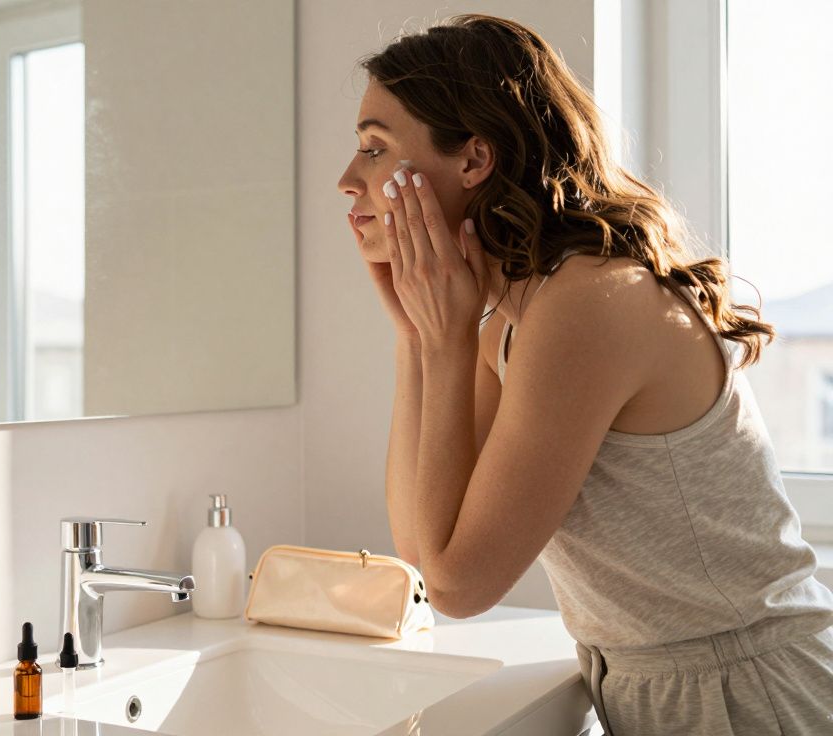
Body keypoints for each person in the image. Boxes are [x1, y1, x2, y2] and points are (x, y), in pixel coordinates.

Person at [337, 14, 833, 734]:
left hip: (751, 695)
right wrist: (416, 338)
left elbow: (458, 584)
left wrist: (442, 344)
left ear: (475, 160)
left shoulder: (589, 302)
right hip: (661, 687)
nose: (349, 180)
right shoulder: (514, 318)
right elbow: (422, 544)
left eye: (375, 149)